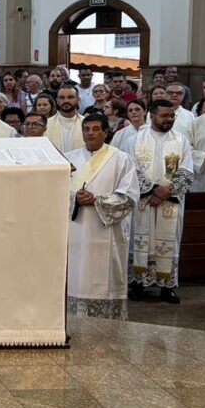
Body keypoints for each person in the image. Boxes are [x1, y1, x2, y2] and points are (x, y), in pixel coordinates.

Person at [65, 113, 141, 319]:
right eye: (86, 129)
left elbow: (129, 196)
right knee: (75, 275)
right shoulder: (69, 159)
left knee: (103, 276)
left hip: (106, 233)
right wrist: (75, 199)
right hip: (75, 230)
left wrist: (96, 200)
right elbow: (55, 192)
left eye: (95, 129)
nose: (90, 133)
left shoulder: (121, 159)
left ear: (106, 132)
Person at [122, 99, 195, 303]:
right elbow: (130, 169)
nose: (168, 119)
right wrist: (154, 190)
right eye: (164, 115)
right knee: (141, 240)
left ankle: (167, 286)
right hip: (143, 203)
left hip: (170, 202)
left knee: (169, 242)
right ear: (151, 116)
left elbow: (187, 170)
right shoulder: (134, 141)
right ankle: (138, 283)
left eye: (171, 116)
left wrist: (166, 191)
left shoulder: (181, 140)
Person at [45, 84, 84, 154]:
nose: (66, 101)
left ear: (78, 100)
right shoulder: (47, 124)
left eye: (70, 97)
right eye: (62, 98)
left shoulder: (86, 123)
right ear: (57, 101)